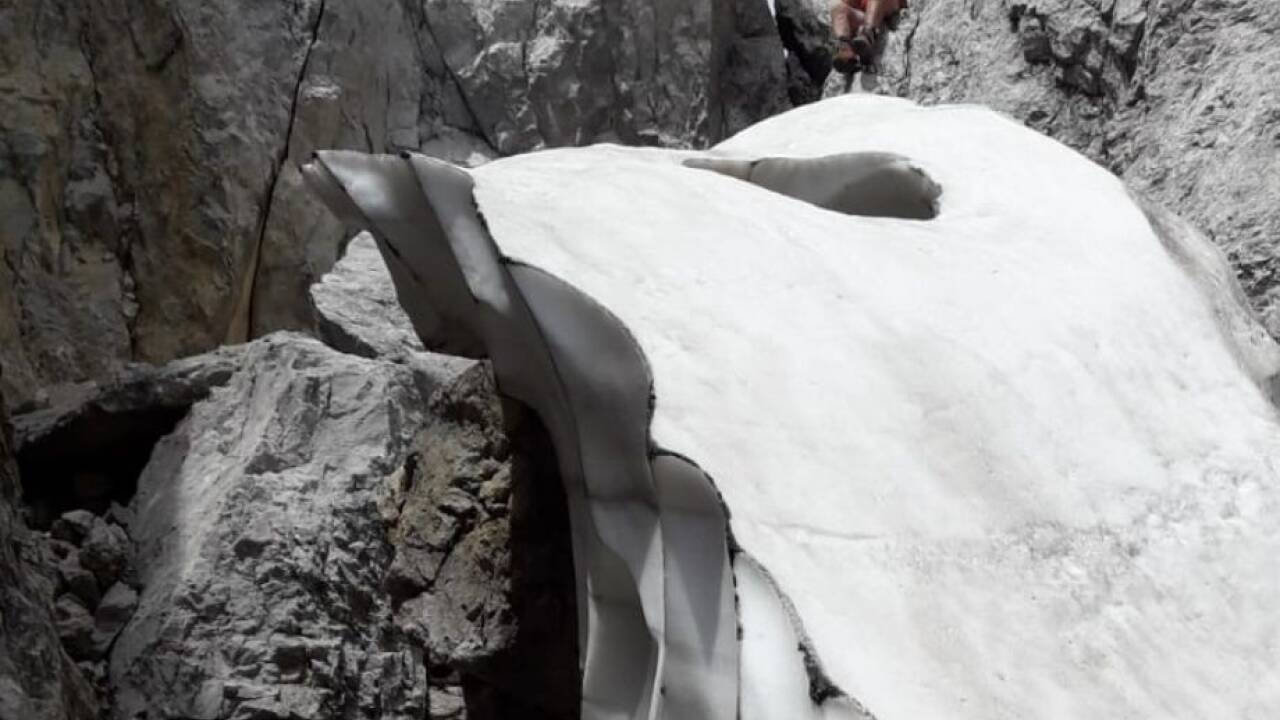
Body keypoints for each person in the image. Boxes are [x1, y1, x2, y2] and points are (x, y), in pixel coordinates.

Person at [830, 0, 907, 73]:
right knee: (838, 9)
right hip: (864, 17)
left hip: (885, 10)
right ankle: (845, 49)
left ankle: (867, 37)